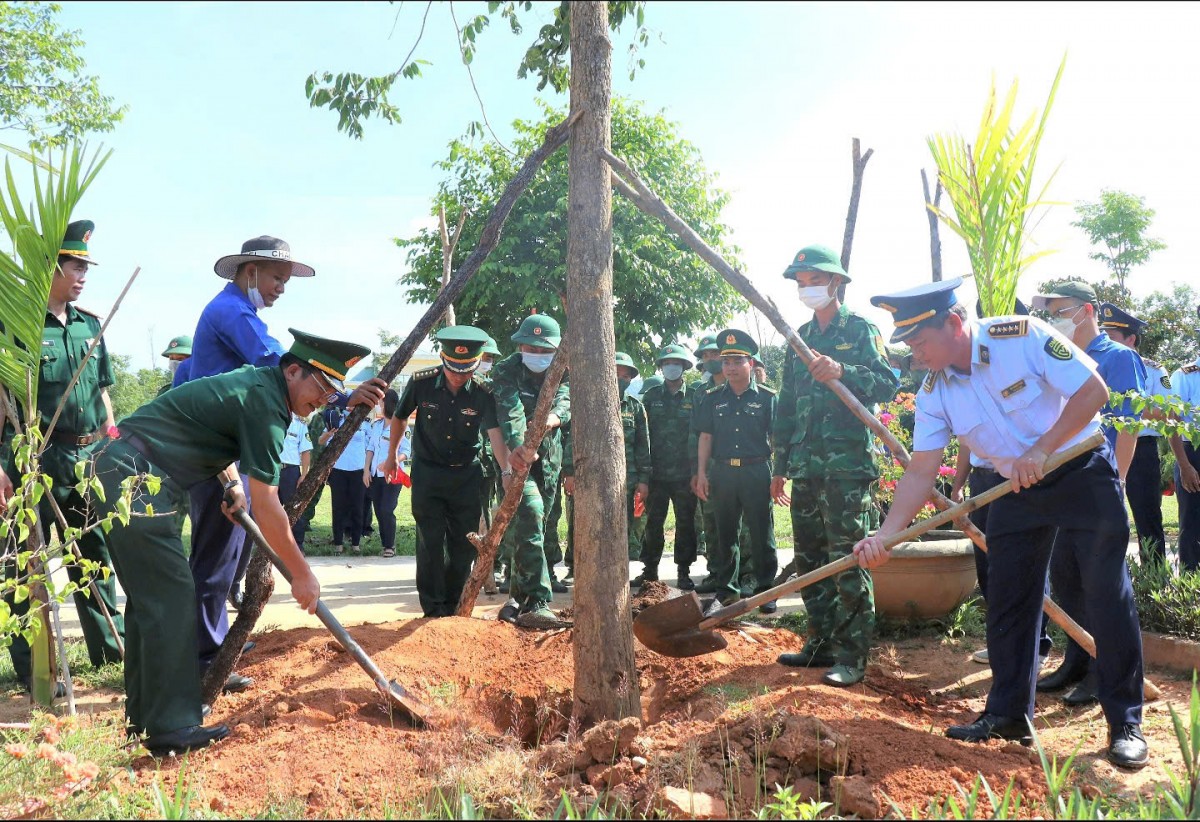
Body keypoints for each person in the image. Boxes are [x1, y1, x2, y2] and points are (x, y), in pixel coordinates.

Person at [854, 278, 1147, 770]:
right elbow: (922, 468)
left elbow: (1093, 392)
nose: (915, 353)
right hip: (1016, 488)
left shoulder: (1022, 337)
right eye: (908, 345)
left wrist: (1043, 447)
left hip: (1079, 470)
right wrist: (886, 535)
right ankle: (1010, 714)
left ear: (953, 323)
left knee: (1105, 594)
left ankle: (1126, 724)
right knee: (1009, 599)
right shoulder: (933, 391)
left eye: (920, 341)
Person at [95, 329, 383, 755]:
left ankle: (144, 724)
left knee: (150, 603)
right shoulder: (267, 404)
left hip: (128, 470)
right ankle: (171, 728)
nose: (324, 399)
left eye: (332, 391)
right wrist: (302, 574)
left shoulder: (261, 385)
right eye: (322, 387)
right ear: (292, 370)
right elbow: (268, 505)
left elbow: (213, 430)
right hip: (137, 479)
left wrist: (231, 483)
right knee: (172, 598)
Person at [178, 235, 314, 692]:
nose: (281, 287)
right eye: (277, 277)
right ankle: (203, 658)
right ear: (249, 271)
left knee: (227, 555)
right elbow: (274, 360)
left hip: (219, 451)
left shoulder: (237, 312)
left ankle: (213, 640)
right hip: (212, 455)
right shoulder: (233, 312)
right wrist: (332, 389)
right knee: (215, 559)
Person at [0, 219, 125, 693]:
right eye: (75, 266)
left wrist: (110, 444)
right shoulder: (19, 327)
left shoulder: (90, 325)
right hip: (35, 459)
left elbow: (104, 395)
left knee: (94, 556)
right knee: (24, 564)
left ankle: (110, 652)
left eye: (85, 267)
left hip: (89, 457)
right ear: (50, 267)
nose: (83, 275)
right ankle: (35, 669)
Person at [771, 245, 899, 686]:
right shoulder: (799, 341)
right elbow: (786, 406)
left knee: (848, 560)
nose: (807, 289)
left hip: (847, 469)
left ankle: (851, 656)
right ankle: (820, 642)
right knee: (809, 559)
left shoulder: (861, 330)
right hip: (806, 467)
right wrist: (780, 466)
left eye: (814, 280)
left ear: (836, 283)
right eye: (801, 282)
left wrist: (844, 371)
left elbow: (888, 383)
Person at [1030, 281, 1146, 708]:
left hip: (1098, 483)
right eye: (1051, 312)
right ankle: (1076, 660)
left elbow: (1128, 422)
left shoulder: (1118, 358)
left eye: (1062, 310)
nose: (1055, 319)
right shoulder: (1053, 357)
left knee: (1102, 586)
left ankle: (1104, 672)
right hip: (1060, 484)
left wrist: (1119, 478)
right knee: (1067, 579)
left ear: (1088, 311)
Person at [382, 326, 499, 617]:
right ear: (443, 359)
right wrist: (392, 456)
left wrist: (508, 469)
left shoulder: (484, 393)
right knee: (430, 541)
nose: (459, 376)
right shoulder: (422, 383)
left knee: (464, 545)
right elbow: (398, 419)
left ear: (476, 362)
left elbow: (495, 433)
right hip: (428, 474)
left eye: (466, 370)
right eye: (453, 369)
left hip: (466, 477)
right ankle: (433, 608)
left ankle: (452, 604)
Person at [959, 298, 1051, 671]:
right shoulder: (967, 370)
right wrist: (958, 484)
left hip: (1021, 479)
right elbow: (966, 437)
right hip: (983, 479)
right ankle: (1001, 643)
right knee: (989, 563)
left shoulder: (1028, 359)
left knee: (1026, 564)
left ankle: (1036, 644)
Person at [490, 313, 571, 630]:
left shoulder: (563, 369)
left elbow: (565, 402)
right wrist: (519, 450)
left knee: (532, 527)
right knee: (531, 514)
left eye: (543, 351)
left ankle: (515, 598)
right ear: (520, 345)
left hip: (550, 460)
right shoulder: (506, 370)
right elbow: (509, 412)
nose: (537, 356)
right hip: (517, 458)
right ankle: (538, 601)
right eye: (531, 348)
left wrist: (550, 420)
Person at [694, 329, 778, 615]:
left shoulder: (767, 398)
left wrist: (779, 475)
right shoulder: (713, 398)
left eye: (737, 361)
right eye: (726, 361)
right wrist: (702, 473)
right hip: (723, 473)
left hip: (756, 471)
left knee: (761, 532)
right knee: (724, 534)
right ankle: (726, 591)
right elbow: (705, 437)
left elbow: (776, 439)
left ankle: (766, 590)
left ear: (751, 364)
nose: (729, 367)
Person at [563, 351, 651, 586]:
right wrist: (569, 472)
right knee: (586, 525)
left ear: (630, 380)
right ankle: (581, 572)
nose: (620, 380)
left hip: (627, 480)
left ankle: (618, 573)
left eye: (625, 377)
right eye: (616, 374)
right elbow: (573, 437)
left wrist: (644, 479)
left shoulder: (636, 407)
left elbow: (643, 446)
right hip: (591, 476)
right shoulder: (588, 403)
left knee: (622, 526)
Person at [1100, 302, 1170, 564]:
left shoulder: (1153, 369)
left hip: (1141, 450)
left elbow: (1168, 412)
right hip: (1102, 448)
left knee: (1147, 518)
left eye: (1113, 337)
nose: (1106, 341)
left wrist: (1128, 408)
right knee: (1101, 519)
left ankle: (1153, 581)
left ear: (1131, 339)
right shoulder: (1096, 363)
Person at [637, 344, 700, 590]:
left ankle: (684, 571)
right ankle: (649, 570)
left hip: (686, 475)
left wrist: (697, 470)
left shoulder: (695, 396)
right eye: (666, 363)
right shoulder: (651, 396)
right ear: (661, 367)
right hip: (657, 474)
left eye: (676, 363)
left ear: (684, 366)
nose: (671, 367)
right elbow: (643, 436)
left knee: (686, 523)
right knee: (653, 523)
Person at [1167, 310, 1200, 571]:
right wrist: (1185, 465)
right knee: (1191, 523)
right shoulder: (1185, 375)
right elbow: (1172, 423)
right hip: (1193, 455)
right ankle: (1191, 584)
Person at [321, 396, 369, 555]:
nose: (351, 407)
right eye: (349, 404)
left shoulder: (365, 423)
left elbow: (370, 448)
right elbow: (321, 441)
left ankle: (356, 543)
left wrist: (369, 470)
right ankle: (338, 543)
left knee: (358, 508)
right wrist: (329, 433)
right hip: (339, 470)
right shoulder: (336, 420)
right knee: (338, 507)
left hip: (358, 470)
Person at [365, 389, 406, 559]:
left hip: (393, 475)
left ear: (387, 403)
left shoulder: (400, 424)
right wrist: (366, 470)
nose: (378, 406)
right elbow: (371, 448)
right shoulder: (376, 425)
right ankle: (385, 544)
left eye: (380, 402)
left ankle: (390, 545)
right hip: (375, 475)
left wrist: (392, 460)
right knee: (379, 511)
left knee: (387, 509)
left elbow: (407, 451)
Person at [279, 412, 313, 552]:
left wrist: (304, 474)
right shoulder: (274, 419)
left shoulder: (299, 425)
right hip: (271, 469)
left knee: (294, 508)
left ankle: (298, 545)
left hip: (290, 471)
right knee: (268, 508)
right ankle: (270, 545)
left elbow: (305, 451)